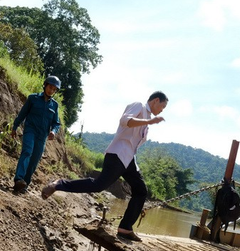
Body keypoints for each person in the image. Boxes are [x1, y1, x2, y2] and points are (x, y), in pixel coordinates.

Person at [41, 91, 169, 242]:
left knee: (141, 191)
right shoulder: (139, 106)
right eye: (163, 106)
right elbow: (125, 121)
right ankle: (58, 184)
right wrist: (149, 122)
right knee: (98, 185)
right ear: (155, 100)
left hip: (129, 159)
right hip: (117, 154)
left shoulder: (148, 118)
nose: (162, 110)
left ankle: (125, 228)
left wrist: (148, 122)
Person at [11, 76, 62, 193]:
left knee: (35, 160)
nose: (51, 91)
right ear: (45, 85)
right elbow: (22, 114)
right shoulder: (33, 98)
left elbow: (56, 123)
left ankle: (24, 185)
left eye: (54, 89)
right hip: (30, 131)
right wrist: (15, 127)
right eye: (50, 87)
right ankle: (18, 179)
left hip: (42, 136)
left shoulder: (54, 105)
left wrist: (53, 131)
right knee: (27, 151)